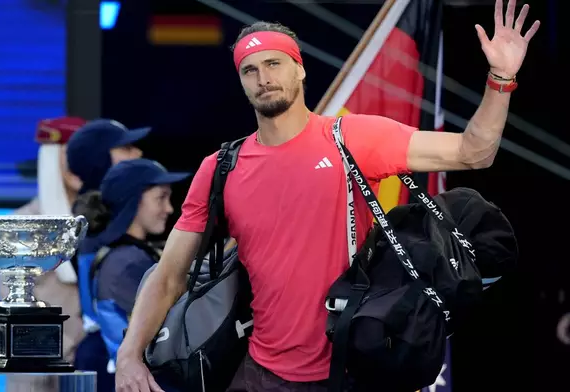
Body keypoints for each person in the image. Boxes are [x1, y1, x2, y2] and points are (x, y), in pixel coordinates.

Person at [116, 1, 539, 391]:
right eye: (250, 69)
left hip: (355, 369)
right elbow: (169, 274)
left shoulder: (352, 136)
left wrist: (500, 79)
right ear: (241, 82)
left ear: (299, 69)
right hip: (263, 373)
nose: (264, 78)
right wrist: (130, 353)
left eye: (274, 63)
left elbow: (474, 152)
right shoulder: (220, 168)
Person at [78, 158, 190, 392]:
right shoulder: (127, 262)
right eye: (161, 198)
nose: (169, 209)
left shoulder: (121, 253)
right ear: (133, 201)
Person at [0, 116, 87, 392]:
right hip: (39, 368)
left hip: (91, 367)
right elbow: (16, 307)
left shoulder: (104, 222)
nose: (78, 164)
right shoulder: (22, 224)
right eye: (70, 155)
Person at [66, 119, 152, 388]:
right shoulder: (92, 230)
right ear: (100, 162)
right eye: (125, 148)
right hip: (110, 360)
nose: (137, 153)